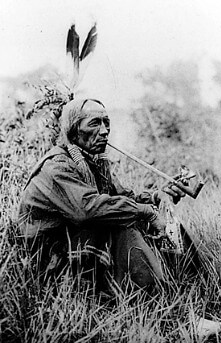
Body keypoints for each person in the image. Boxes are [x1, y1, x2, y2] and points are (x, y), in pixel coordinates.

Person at [18, 98, 186, 293]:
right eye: (95, 123)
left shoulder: (92, 162)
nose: (105, 130)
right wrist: (146, 212)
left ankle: (182, 282)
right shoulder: (56, 167)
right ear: (73, 129)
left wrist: (158, 196)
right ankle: (155, 298)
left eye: (106, 122)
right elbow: (87, 210)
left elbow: (124, 198)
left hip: (74, 242)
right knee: (125, 224)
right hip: (46, 260)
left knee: (148, 216)